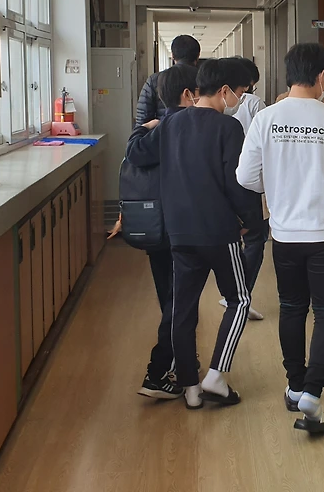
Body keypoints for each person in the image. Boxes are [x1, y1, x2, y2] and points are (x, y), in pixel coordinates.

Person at [237, 43, 324, 435]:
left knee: (291, 307)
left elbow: (246, 177)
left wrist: (277, 188)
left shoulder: (266, 119)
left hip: (285, 234)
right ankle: (313, 391)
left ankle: (294, 385)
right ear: (323, 76)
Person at [126, 57, 262, 410]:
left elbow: (139, 154)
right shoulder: (228, 128)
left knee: (183, 309)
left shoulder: (170, 124)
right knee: (239, 300)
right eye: (241, 91)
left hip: (179, 233)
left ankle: (189, 387)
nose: (240, 98)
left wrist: (142, 128)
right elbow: (238, 184)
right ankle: (216, 375)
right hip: (219, 231)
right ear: (225, 90)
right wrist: (252, 221)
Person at [130, 64, 198, 400]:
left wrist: (142, 128)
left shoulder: (158, 129)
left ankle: (182, 360)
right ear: (188, 94)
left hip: (155, 227)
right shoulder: (191, 125)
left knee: (171, 299)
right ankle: (158, 371)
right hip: (183, 229)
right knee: (179, 303)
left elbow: (135, 153)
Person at [219, 56, 269, 322]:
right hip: (250, 180)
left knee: (233, 240)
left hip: (224, 182)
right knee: (255, 239)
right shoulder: (254, 103)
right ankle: (240, 294)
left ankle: (234, 292)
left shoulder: (211, 109)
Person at [136, 34, 202, 125]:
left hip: (163, 131)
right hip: (200, 130)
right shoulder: (205, 79)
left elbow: (143, 119)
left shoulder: (155, 80)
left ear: (172, 55)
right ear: (198, 56)